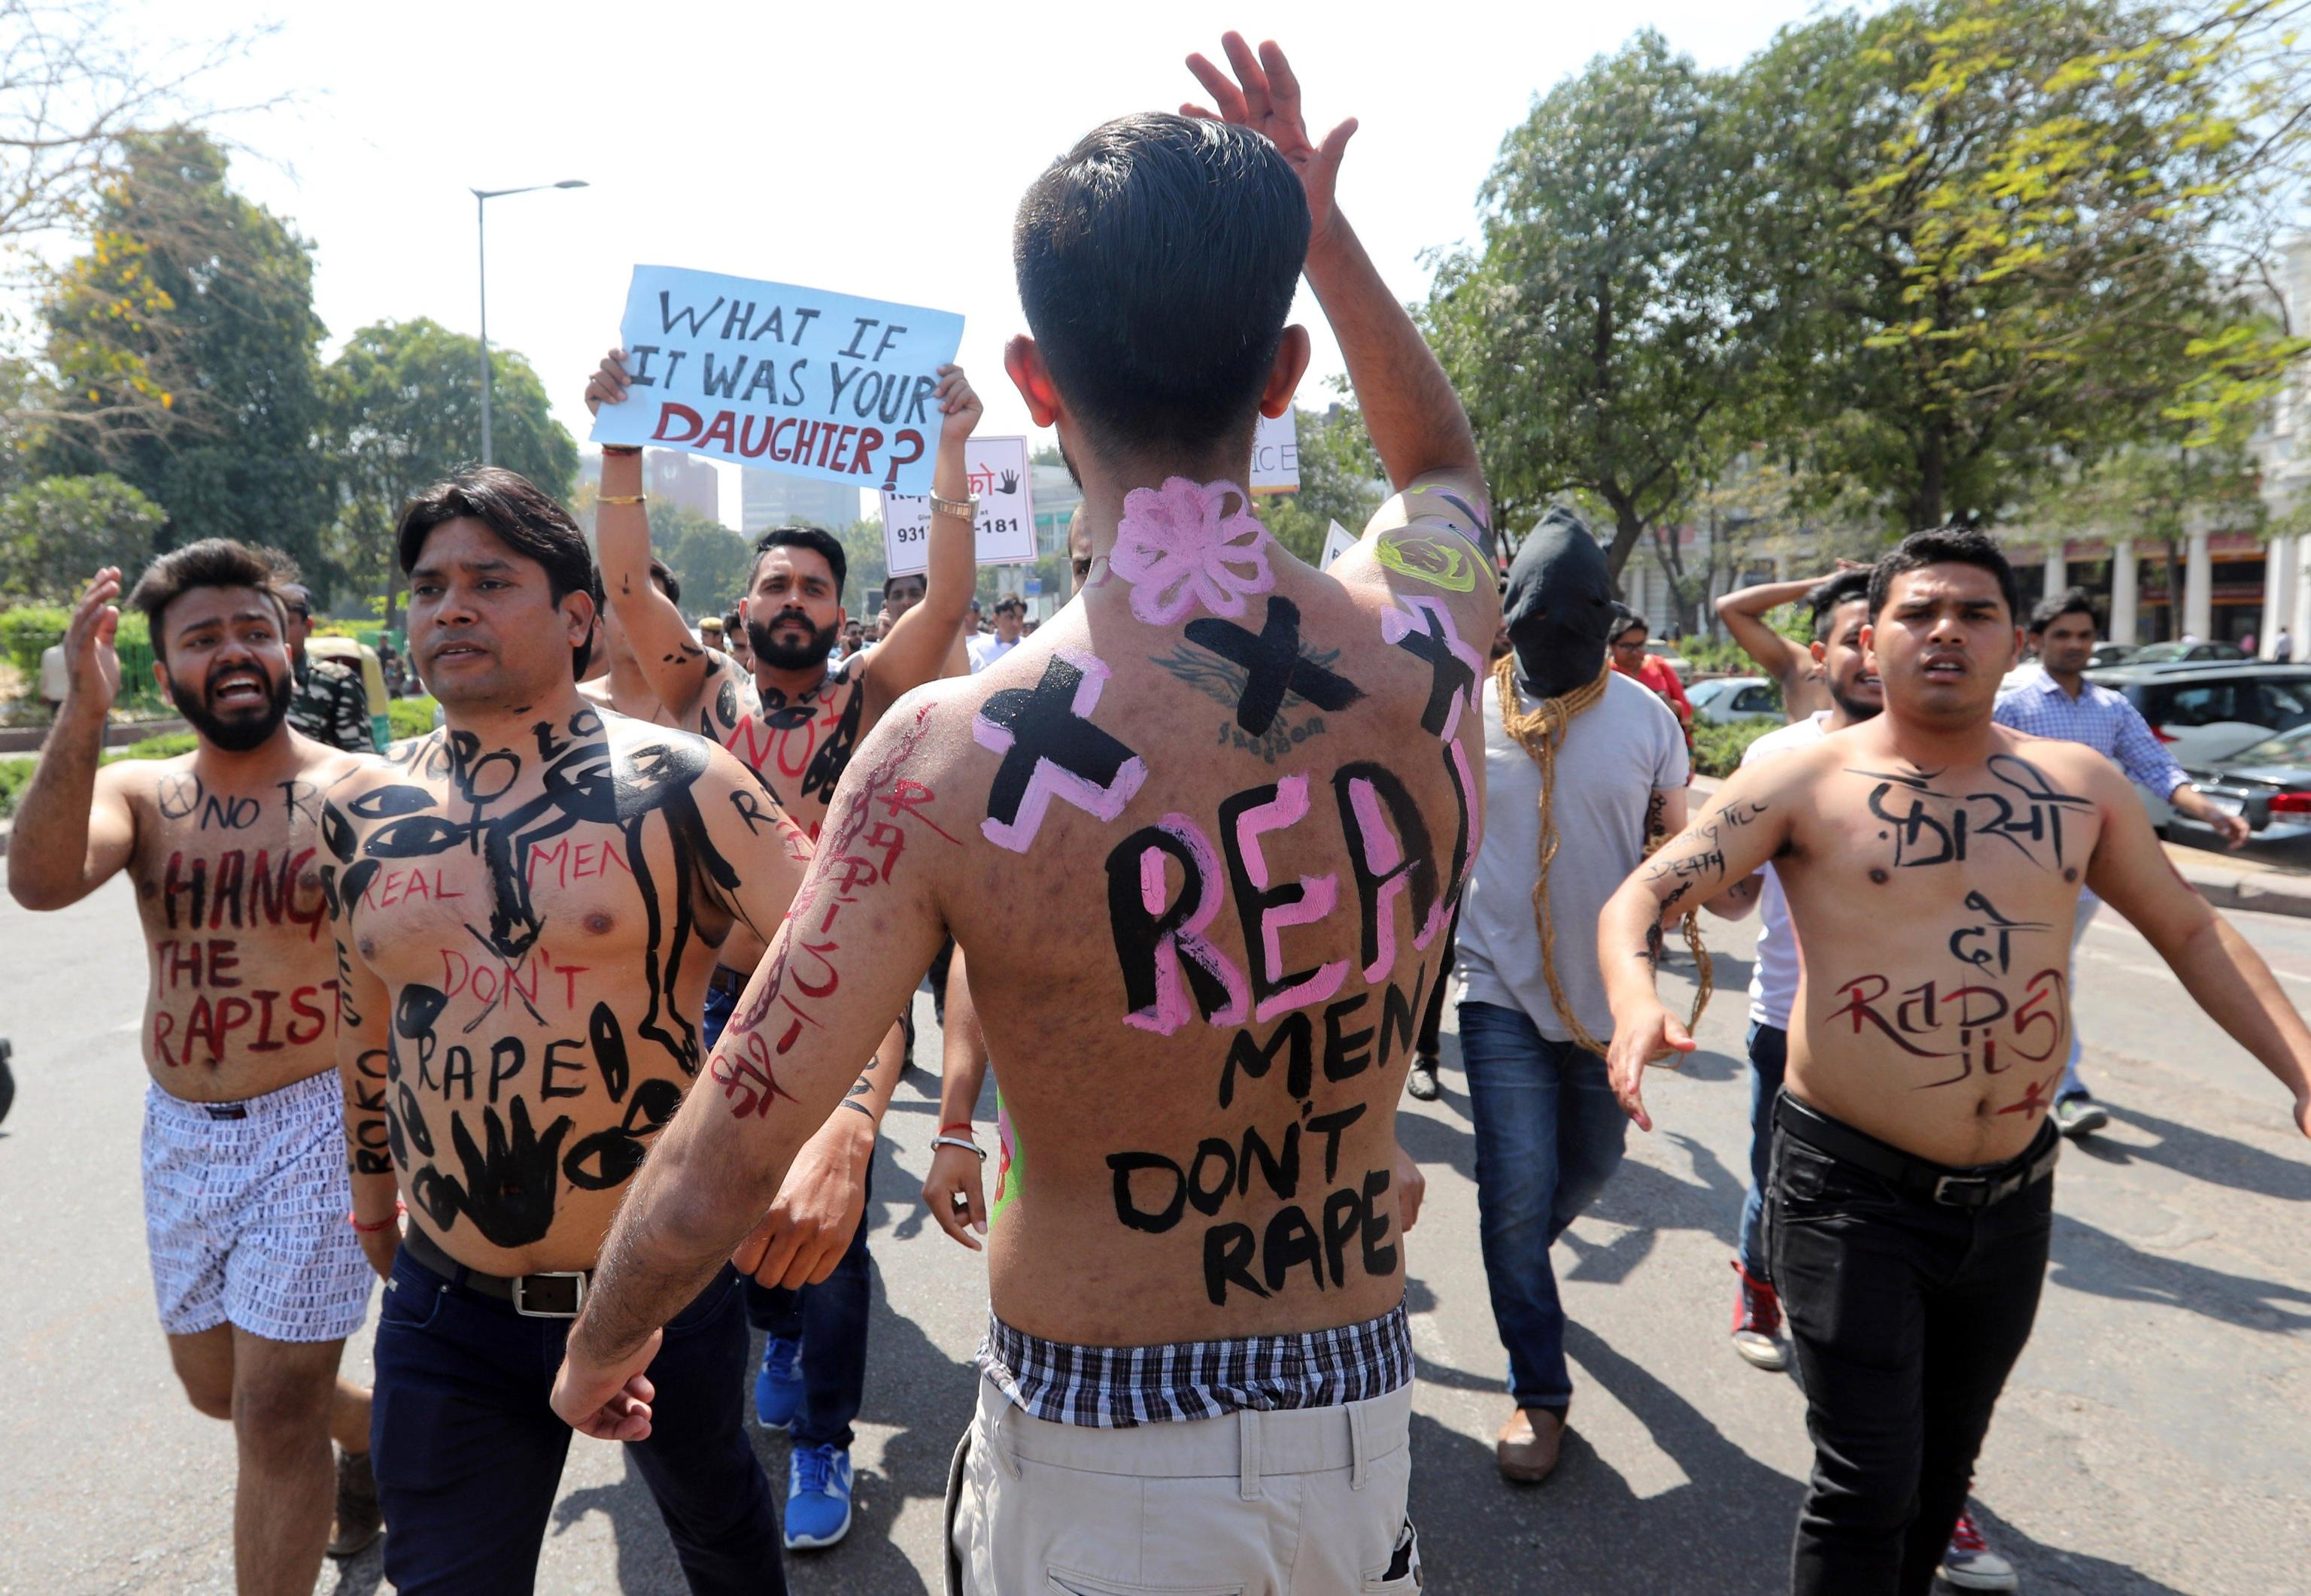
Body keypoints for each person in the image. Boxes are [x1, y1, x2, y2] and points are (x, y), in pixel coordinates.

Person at [554, 38, 1493, 1591]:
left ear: (1038, 381)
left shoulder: (949, 753)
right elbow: (1446, 464)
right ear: (1279, 379)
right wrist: (1318, 234)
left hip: (1096, 1457)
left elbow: (725, 1151)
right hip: (1355, 1405)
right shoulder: (1425, 646)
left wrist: (604, 1335)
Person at [1600, 526, 2311, 1596]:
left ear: (2012, 641)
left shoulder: (2081, 783)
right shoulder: (1802, 779)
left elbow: (2195, 932)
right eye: (1918, 612)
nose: (1946, 631)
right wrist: (1635, 1002)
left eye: (1975, 613)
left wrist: (2303, 1066)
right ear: (1871, 640)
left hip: (2013, 1198)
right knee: (1867, 1481)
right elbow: (1644, 891)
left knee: (1942, 1475)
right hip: (1848, 1190)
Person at [320, 469, 821, 1594]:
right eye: (429, 585)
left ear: (579, 616)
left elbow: (847, 953)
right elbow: (368, 1020)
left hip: (660, 1284)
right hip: (449, 1305)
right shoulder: (358, 808)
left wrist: (844, 1120)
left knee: (722, 1535)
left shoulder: (685, 784)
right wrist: (369, 1195)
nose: (449, 607)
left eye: (491, 581)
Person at [585, 357, 982, 1547]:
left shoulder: (875, 698)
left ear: (839, 611)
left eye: (815, 583)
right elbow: (618, 580)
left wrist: (950, 446)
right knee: (727, 1217)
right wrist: (618, 440)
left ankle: (822, 1435)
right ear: (744, 608)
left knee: (834, 1226)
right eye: (775, 583)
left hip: (844, 999)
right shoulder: (700, 697)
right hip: (709, 1002)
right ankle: (781, 1324)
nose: (794, 598)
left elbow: (951, 604)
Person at [8, 545, 381, 1590]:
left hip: (319, 1122)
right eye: (203, 636)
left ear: (289, 642)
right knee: (218, 1390)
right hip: (180, 1132)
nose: (235, 652)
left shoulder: (365, 789)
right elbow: (36, 883)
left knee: (270, 1412)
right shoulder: (140, 791)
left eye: (253, 629)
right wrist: (79, 717)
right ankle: (384, 1439)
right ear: (163, 666)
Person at [1455, 514, 1688, 1484]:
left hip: (1607, 1007)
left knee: (1583, 1171)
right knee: (1513, 1200)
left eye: (1577, 620)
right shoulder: (1463, 710)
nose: (1557, 634)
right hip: (1494, 988)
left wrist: (1709, 877)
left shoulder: (1648, 718)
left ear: (1608, 624)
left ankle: (1523, 1270)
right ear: (1508, 620)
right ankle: (1539, 1394)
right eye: (1535, 617)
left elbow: (1682, 842)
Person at [1994, 587, 2249, 1138]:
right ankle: (2051, 1082)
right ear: (2035, 641)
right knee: (2040, 975)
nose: (2075, 645)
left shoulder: (2110, 707)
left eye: (2084, 635)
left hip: (2085, 874)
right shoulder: (2011, 704)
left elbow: (2156, 766)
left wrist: (2211, 813)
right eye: (2062, 635)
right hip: (2014, 869)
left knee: (2049, 974)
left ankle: (2059, 1086)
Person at [1714, 563, 1872, 723]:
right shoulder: (1801, 667)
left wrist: (1887, 578)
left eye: (1875, 638)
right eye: (1853, 640)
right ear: (1820, 656)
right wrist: (1825, 583)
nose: (1869, 653)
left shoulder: (1894, 679)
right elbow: (1730, 608)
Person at [578, 556, 683, 727]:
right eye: (624, 603)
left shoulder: (697, 707)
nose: (639, 617)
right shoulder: (574, 707)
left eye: (651, 604)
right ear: (597, 621)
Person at [281, 582, 378, 754]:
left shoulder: (337, 683)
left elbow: (360, 759)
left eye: (287, 622)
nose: (278, 631)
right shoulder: (252, 686)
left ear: (308, 627)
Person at [1609, 606, 1694, 733]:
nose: (1635, 653)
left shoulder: (1658, 666)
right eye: (1627, 646)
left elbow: (1686, 710)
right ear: (1612, 646)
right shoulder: (1606, 674)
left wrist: (1667, 706)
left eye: (1640, 645)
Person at [969, 595, 1026, 672]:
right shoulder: (978, 649)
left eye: (1020, 618)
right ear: (996, 618)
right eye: (1010, 617)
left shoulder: (1030, 648)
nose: (1016, 624)